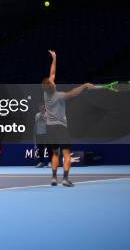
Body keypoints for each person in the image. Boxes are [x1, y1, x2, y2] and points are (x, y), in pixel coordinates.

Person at [42, 50, 95, 187]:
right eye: (52, 83)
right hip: (60, 127)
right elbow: (73, 93)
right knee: (66, 154)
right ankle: (65, 179)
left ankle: (54, 178)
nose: (53, 81)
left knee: (54, 153)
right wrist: (84, 86)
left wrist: (54, 58)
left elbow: (52, 73)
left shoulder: (46, 94)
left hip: (50, 128)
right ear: (52, 86)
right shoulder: (59, 95)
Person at [34, 102, 47, 168]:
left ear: (45, 107)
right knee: (40, 149)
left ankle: (50, 162)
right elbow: (35, 125)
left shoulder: (48, 115)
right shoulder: (37, 115)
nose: (42, 108)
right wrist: (35, 133)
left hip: (46, 134)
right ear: (39, 108)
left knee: (49, 148)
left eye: (43, 107)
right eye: (41, 107)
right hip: (39, 134)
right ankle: (41, 162)